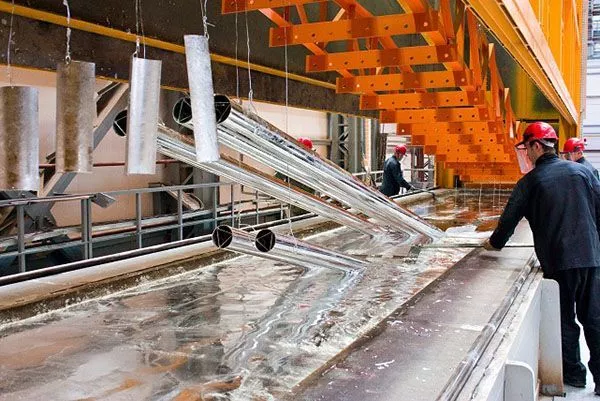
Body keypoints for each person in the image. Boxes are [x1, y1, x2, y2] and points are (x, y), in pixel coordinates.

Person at [483, 121, 600, 394]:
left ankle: (574, 376)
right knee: (594, 319)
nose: (526, 154)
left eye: (527, 148)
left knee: (565, 322)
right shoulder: (583, 172)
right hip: (591, 258)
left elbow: (507, 222)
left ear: (536, 146)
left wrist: (493, 244)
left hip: (558, 262)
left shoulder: (530, 182)